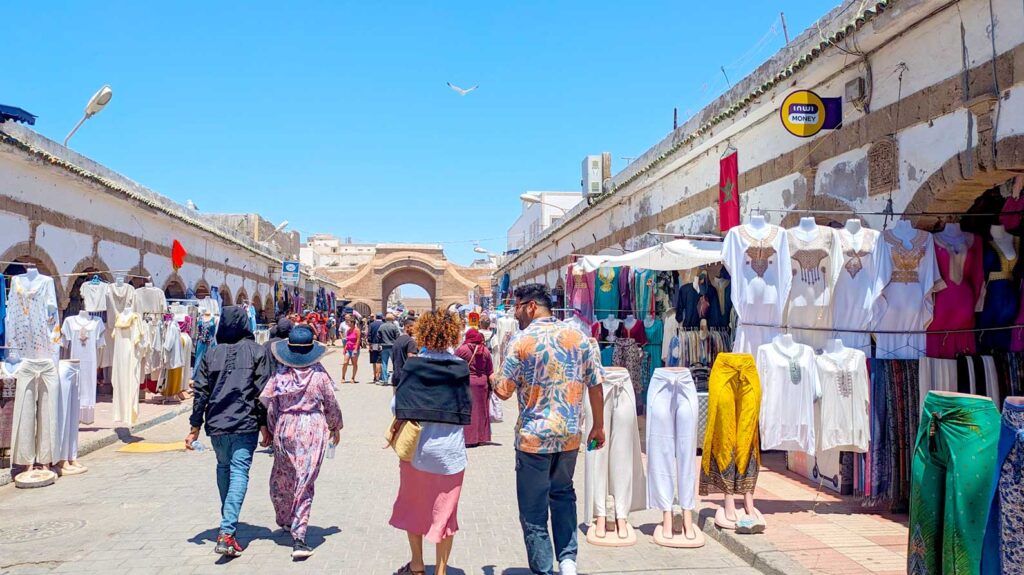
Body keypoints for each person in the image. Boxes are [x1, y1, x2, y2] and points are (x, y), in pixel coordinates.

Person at [495, 284, 605, 575]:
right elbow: (596, 383)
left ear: (531, 306)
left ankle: (543, 568)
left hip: (534, 439)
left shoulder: (520, 341)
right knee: (564, 495)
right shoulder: (580, 338)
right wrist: (599, 426)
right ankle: (568, 562)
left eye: (517, 307)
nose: (515, 313)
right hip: (569, 435)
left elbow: (503, 391)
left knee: (533, 510)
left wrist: (496, 373)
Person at [185, 305, 272, 558]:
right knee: (239, 472)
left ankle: (228, 525)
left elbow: (200, 392)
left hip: (217, 424)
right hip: (245, 423)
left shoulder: (211, 354)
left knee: (224, 468)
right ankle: (227, 530)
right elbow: (262, 392)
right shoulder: (258, 352)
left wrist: (195, 426)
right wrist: (265, 424)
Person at [389, 311, 471, 575]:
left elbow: (396, 405)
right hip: (451, 453)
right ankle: (442, 570)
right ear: (452, 334)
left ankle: (416, 565)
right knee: (446, 512)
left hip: (417, 450)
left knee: (414, 507)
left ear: (423, 333)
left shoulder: (413, 366)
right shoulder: (461, 367)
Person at [260, 324, 344, 560]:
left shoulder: (281, 374)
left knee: (284, 476)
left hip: (285, 427)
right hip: (311, 427)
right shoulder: (319, 374)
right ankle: (299, 537)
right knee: (304, 482)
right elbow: (331, 403)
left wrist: (273, 430)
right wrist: (335, 426)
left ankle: (286, 518)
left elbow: (272, 406)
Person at [455, 328, 494, 447]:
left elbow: (453, 365)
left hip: (467, 383)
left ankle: (468, 439)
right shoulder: (486, 351)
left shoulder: (462, 349)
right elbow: (490, 371)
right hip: (482, 384)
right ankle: (481, 437)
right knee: (481, 411)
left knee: (468, 411)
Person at [391, 317, 419, 387]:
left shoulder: (397, 340)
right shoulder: (410, 341)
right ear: (407, 327)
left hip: (396, 376)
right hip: (406, 378)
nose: (416, 330)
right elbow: (411, 358)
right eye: (414, 327)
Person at [378, 312, 402, 385]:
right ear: (392, 319)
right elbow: (398, 336)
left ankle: (385, 380)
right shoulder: (394, 327)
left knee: (384, 363)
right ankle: (394, 379)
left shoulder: (382, 326)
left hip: (384, 346)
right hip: (393, 347)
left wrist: (381, 342)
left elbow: (378, 336)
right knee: (395, 363)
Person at [341, 316, 361, 383]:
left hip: (354, 349)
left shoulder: (357, 330)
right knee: (345, 363)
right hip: (348, 348)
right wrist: (345, 348)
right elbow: (347, 340)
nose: (347, 323)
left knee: (354, 363)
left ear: (352, 323)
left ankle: (353, 378)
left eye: (348, 322)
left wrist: (355, 349)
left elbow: (358, 340)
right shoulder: (348, 330)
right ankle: (343, 377)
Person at [369, 314, 384, 383]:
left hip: (373, 344)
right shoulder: (383, 324)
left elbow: (369, 335)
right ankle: (379, 376)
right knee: (379, 361)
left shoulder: (372, 324)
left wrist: (370, 344)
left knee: (374, 361)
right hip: (381, 344)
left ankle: (375, 376)